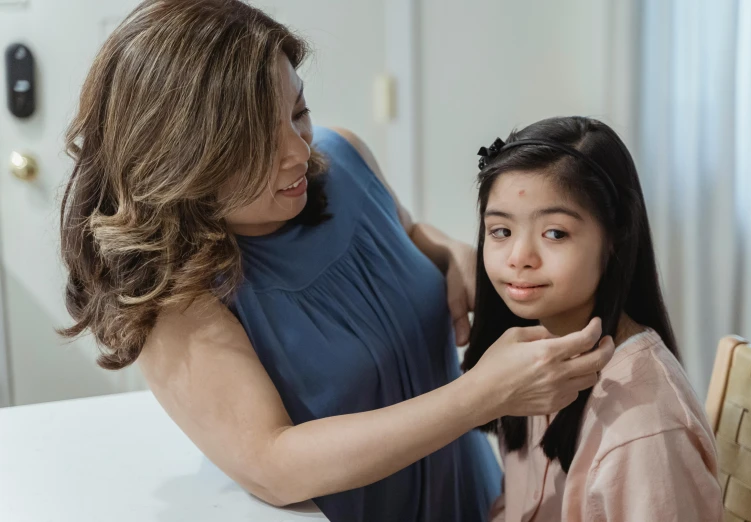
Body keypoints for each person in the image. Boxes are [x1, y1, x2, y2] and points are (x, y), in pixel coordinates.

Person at [58, 2, 613, 521]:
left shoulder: (341, 157)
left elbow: (412, 232)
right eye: (258, 143)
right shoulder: (175, 301)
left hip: (475, 495)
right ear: (181, 160)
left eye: (298, 111)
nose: (302, 150)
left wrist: (452, 255)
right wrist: (481, 396)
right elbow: (275, 466)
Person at [462, 116, 723, 521]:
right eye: (500, 231)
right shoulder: (530, 353)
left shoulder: (643, 431)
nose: (518, 257)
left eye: (555, 234)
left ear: (615, 238)